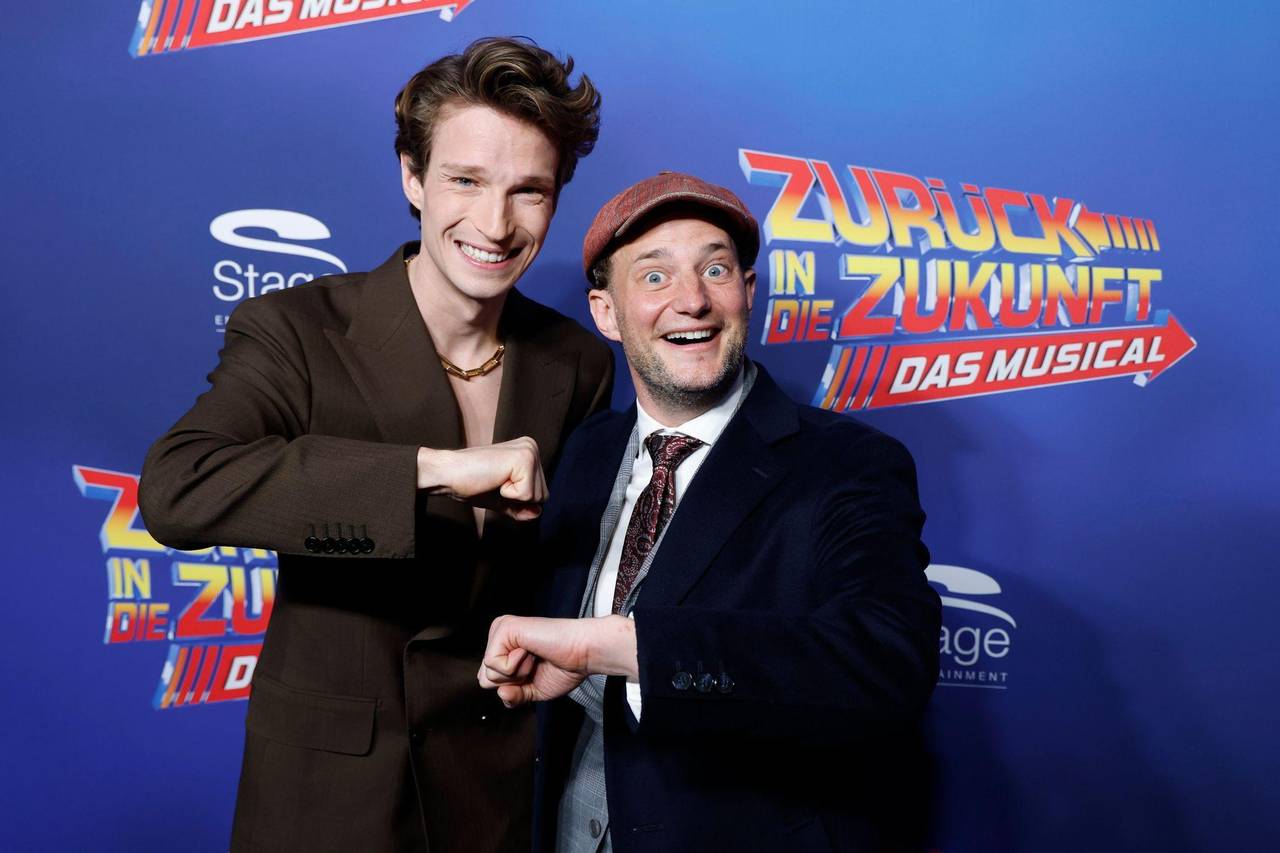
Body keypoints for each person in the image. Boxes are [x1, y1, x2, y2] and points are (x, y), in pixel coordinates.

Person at [139, 37, 612, 853]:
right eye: (466, 181)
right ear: (412, 177)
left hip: (491, 790)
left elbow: (569, 572)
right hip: (327, 793)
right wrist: (431, 471)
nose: (495, 224)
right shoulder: (298, 328)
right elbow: (179, 485)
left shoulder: (576, 362)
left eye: (528, 191)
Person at [478, 172, 942, 852]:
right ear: (606, 313)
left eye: (715, 270)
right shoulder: (586, 449)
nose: (692, 300)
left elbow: (885, 662)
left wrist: (625, 649)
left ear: (747, 291)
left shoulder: (849, 463)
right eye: (655, 276)